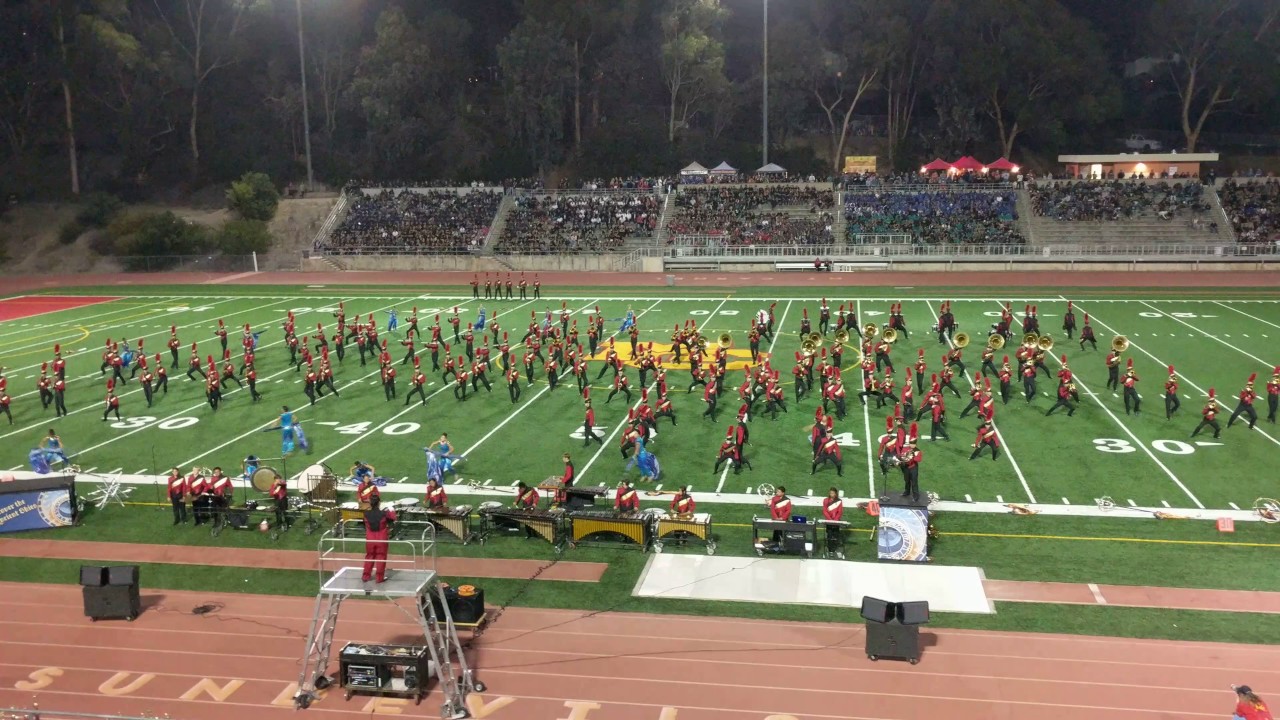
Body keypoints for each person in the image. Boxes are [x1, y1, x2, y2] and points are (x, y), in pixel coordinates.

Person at [361, 496, 398, 586]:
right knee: (381, 558)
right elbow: (393, 518)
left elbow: (364, 523)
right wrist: (391, 509)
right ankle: (379, 578)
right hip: (381, 539)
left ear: (370, 503)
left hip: (370, 539)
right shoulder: (384, 513)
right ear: (379, 503)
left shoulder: (365, 513)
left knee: (369, 556)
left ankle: (366, 576)